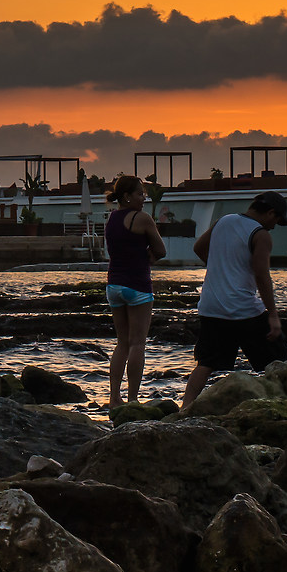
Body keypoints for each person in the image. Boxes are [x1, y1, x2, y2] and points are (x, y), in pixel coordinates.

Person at [182, 190, 287, 407]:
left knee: (206, 363)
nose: (275, 226)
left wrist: (221, 268)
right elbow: (262, 276)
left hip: (211, 307)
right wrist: (274, 316)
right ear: (270, 213)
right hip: (242, 308)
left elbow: (198, 248)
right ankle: (283, 403)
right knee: (276, 357)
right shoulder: (261, 235)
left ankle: (184, 408)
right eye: (277, 220)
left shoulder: (224, 220)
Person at [103, 174, 165, 407]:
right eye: (140, 194)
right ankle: (132, 399)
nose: (143, 199)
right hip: (137, 285)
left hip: (114, 286)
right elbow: (161, 249)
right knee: (138, 343)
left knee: (122, 343)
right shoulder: (142, 219)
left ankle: (113, 397)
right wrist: (149, 257)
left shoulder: (112, 219)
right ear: (127, 196)